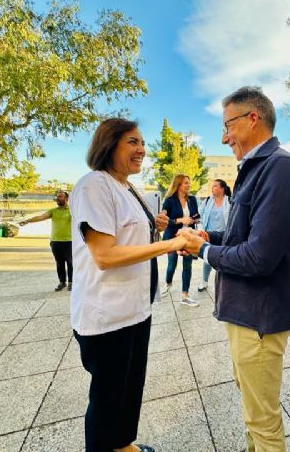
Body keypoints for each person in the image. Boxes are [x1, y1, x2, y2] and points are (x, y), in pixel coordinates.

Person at [179, 86, 290, 452]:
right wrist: (211, 235)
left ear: (254, 118)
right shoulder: (255, 168)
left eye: (228, 125)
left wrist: (203, 249)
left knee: (262, 420)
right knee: (252, 406)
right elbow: (244, 233)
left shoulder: (280, 167)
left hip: (260, 318)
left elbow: (259, 256)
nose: (224, 137)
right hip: (244, 312)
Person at [69, 118, 184, 452]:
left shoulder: (128, 187)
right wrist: (171, 244)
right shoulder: (94, 185)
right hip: (107, 316)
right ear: (109, 144)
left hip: (136, 310)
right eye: (132, 141)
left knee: (130, 388)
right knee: (107, 399)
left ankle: (123, 444)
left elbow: (131, 236)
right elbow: (104, 255)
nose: (142, 149)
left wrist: (157, 226)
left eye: (142, 142)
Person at [20, 190, 73, 291]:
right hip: (55, 242)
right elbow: (41, 217)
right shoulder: (53, 211)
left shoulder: (72, 211)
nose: (57, 198)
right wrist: (27, 221)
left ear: (66, 198)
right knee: (59, 263)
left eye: (60, 196)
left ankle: (71, 282)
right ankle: (62, 282)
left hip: (69, 241)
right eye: (57, 197)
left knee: (70, 263)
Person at [161, 174, 200, 307]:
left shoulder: (193, 200)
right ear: (178, 185)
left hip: (188, 237)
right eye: (186, 183)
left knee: (187, 265)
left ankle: (185, 295)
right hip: (172, 237)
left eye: (189, 183)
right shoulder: (169, 200)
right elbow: (164, 221)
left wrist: (193, 219)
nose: (189, 185)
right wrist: (180, 220)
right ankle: (168, 283)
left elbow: (196, 215)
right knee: (172, 265)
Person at [197, 179, 231, 293]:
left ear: (222, 188)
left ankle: (223, 284)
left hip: (224, 236)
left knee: (223, 260)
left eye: (215, 186)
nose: (213, 188)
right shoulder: (208, 200)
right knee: (207, 259)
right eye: (212, 187)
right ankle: (204, 281)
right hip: (209, 235)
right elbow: (200, 214)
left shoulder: (230, 201)